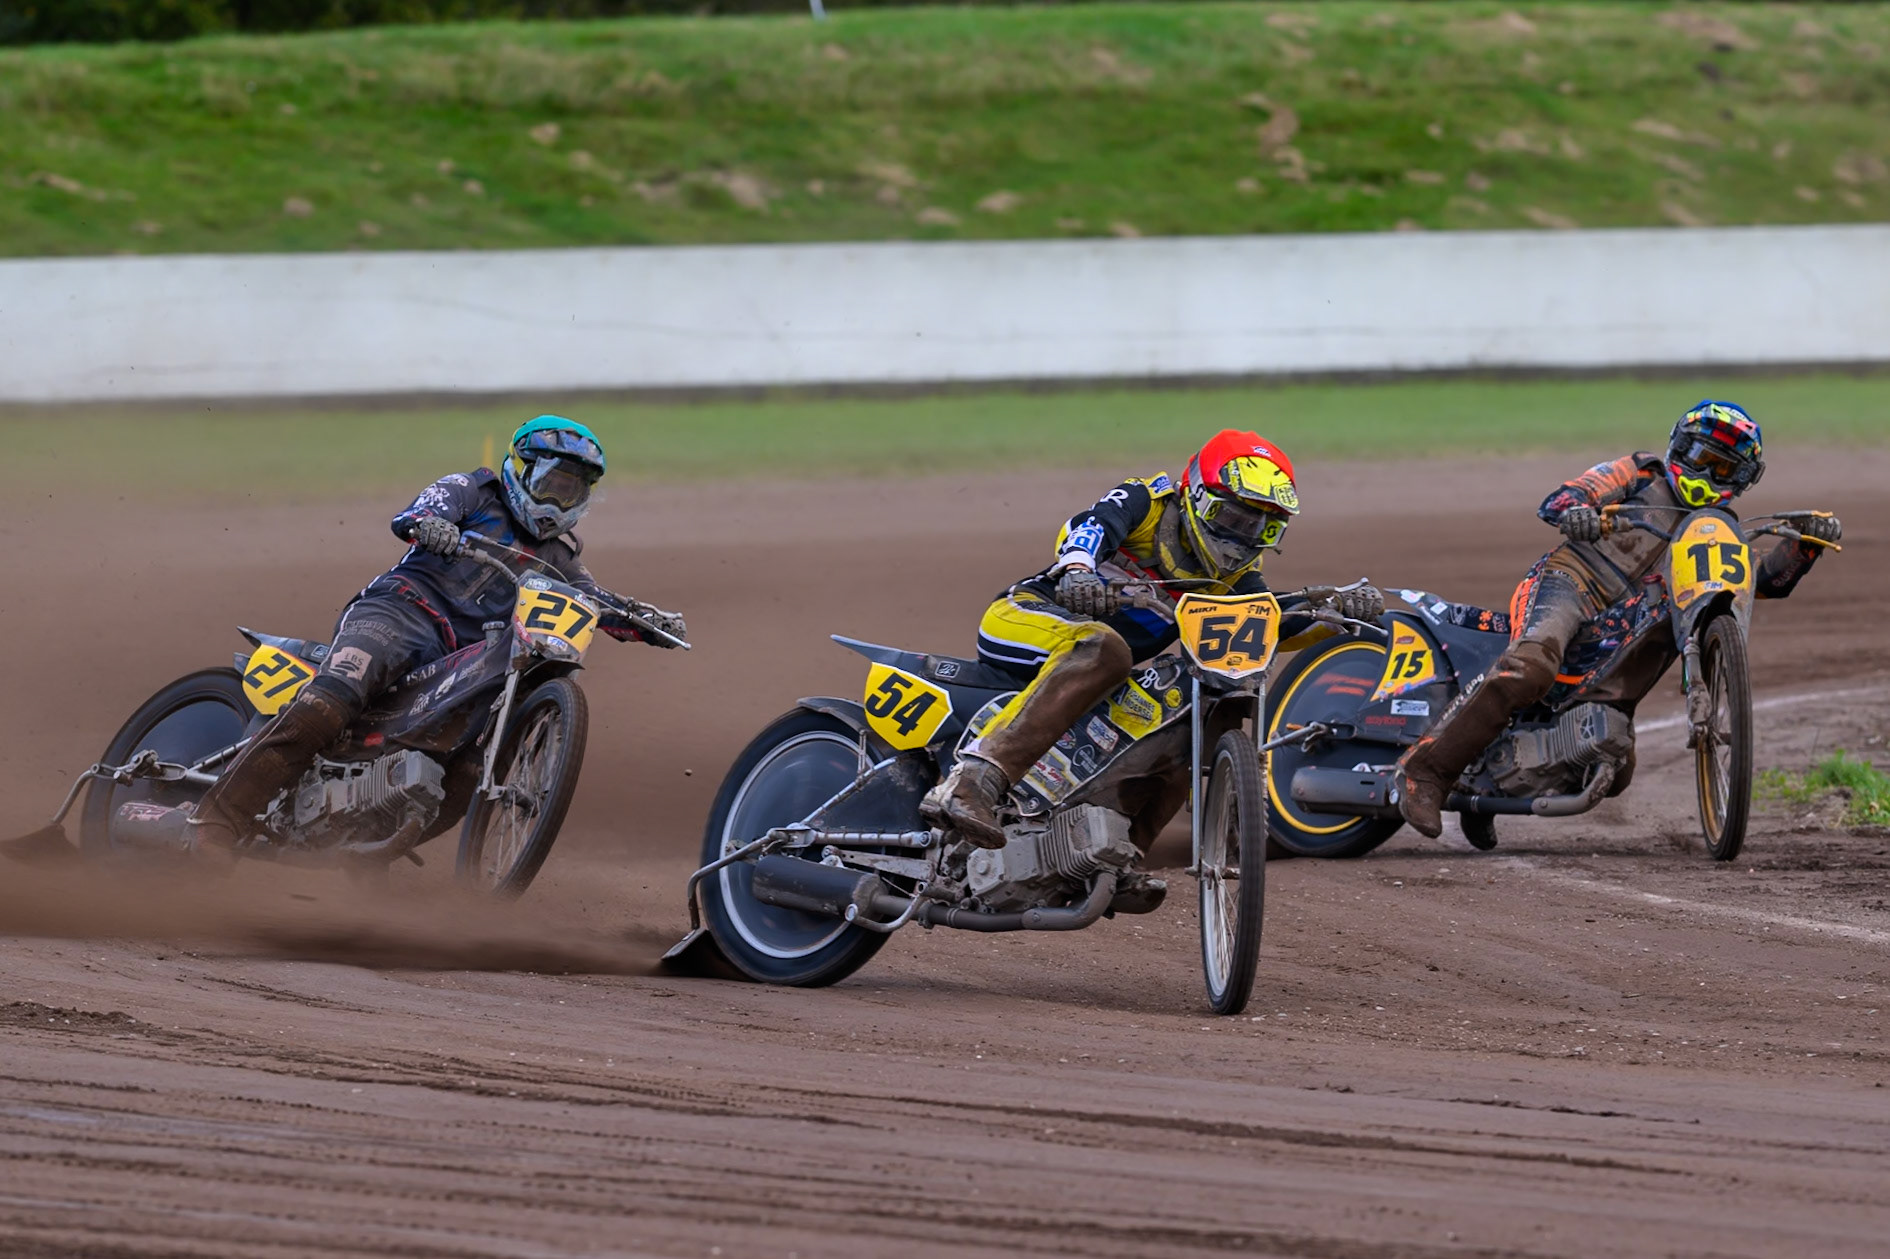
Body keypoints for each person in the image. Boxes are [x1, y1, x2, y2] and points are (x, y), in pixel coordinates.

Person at [185, 415, 686, 851]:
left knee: (465, 774)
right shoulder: (471, 491)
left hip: (456, 659)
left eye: (573, 489)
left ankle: (368, 846)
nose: (561, 498)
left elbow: (591, 601)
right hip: (400, 612)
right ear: (522, 468)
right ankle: (215, 822)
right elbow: (416, 513)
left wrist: (645, 622)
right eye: (554, 482)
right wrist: (430, 525)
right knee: (329, 704)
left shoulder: (562, 558)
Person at [1395, 401, 1843, 838]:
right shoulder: (1638, 472)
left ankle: (1488, 793)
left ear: (1742, 481)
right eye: (1703, 459)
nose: (1708, 476)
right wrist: (1579, 513)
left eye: (1724, 470)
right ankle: (1425, 773)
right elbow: (1564, 497)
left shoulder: (1718, 526)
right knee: (1529, 667)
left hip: (1627, 622)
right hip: (1573, 582)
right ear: (1680, 448)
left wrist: (1804, 547)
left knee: (1614, 762)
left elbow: (1758, 581)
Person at [923, 429, 1384, 849]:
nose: (1241, 541)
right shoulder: (1148, 502)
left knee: (1201, 699)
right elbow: (1091, 525)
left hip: (1097, 666)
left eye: (1260, 529)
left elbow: (1266, 621)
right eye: (1233, 517)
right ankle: (973, 781)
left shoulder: (1241, 576)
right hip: (1029, 618)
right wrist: (1080, 570)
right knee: (1106, 650)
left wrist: (1336, 613)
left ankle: (1122, 850)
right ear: (1197, 496)